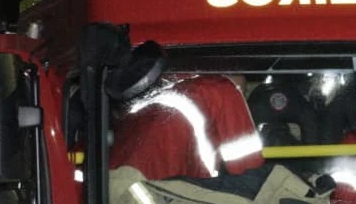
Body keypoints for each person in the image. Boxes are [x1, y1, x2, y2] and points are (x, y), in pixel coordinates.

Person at [109, 73, 265, 180]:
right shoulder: (223, 90)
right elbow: (250, 173)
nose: (242, 98)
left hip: (117, 190)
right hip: (162, 198)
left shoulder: (154, 99)